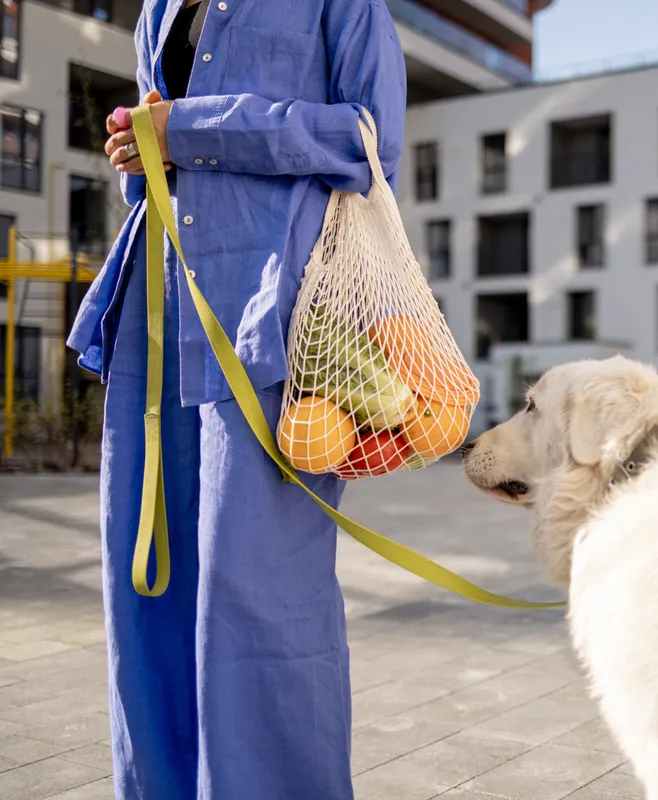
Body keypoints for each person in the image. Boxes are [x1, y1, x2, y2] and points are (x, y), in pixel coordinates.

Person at [66, 1, 407, 797]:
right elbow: (163, 159)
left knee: (258, 602)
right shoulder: (157, 6)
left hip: (271, 324)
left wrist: (193, 129)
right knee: (147, 591)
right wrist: (140, 148)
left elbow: (369, 140)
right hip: (153, 310)